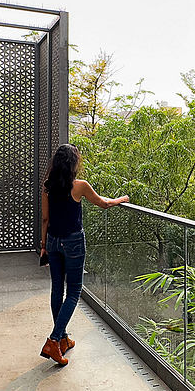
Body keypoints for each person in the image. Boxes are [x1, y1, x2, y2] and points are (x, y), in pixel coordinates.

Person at [39, 144, 128, 365]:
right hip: (73, 242)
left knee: (57, 289)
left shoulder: (48, 187)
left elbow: (45, 219)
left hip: (52, 241)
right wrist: (121, 199)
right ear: (73, 163)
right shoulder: (79, 186)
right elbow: (104, 204)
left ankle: (63, 339)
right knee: (74, 291)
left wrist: (43, 246)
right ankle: (53, 340)